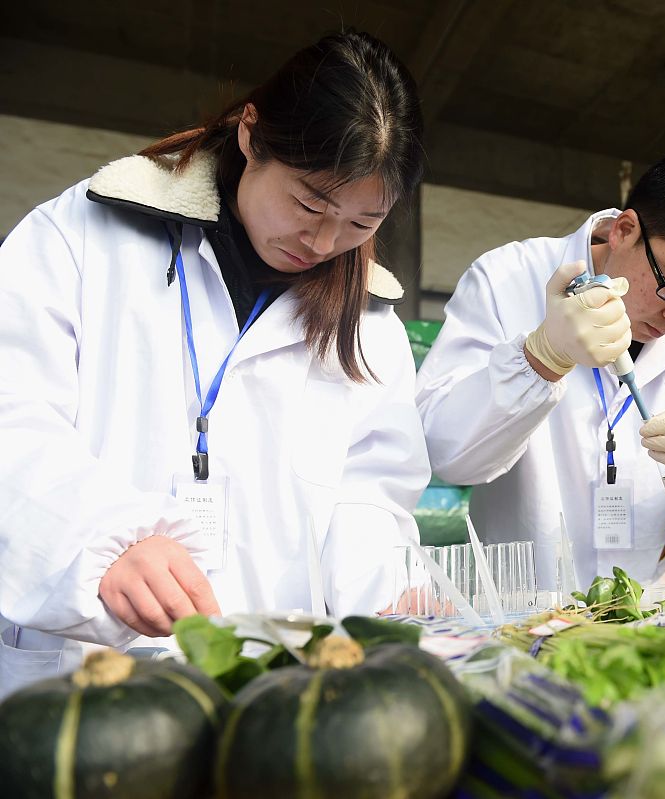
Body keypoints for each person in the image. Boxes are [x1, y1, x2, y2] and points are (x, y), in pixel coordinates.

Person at [0, 30, 430, 695]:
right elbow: (12, 414)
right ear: (252, 136)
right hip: (88, 671)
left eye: (361, 222)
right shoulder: (86, 236)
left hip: (272, 686)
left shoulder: (370, 324)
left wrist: (385, 595)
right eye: (310, 202)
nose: (323, 241)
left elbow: (371, 490)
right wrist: (95, 539)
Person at [415, 150, 665, 590]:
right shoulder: (508, 276)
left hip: (646, 604)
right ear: (624, 230)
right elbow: (445, 453)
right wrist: (540, 359)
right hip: (523, 602)